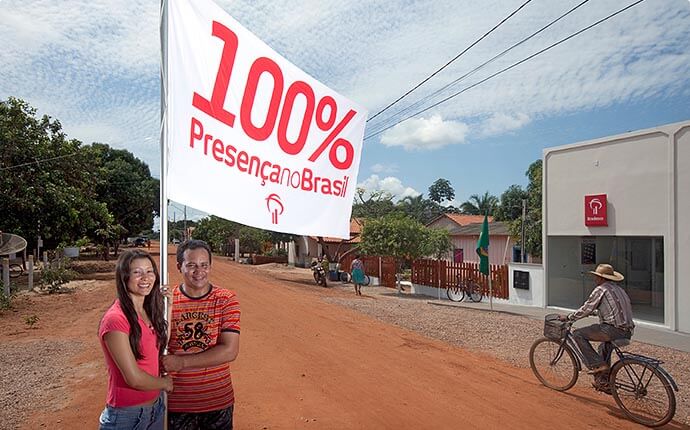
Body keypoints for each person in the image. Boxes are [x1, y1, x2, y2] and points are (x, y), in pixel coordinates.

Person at [163, 239, 241, 430]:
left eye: (204, 265)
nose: (199, 272)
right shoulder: (166, 302)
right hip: (177, 402)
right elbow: (157, 344)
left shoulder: (225, 299)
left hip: (217, 401)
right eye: (191, 265)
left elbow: (229, 351)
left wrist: (182, 362)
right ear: (179, 267)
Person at [98, 249, 173, 430]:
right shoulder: (116, 319)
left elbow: (161, 342)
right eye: (137, 273)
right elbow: (134, 378)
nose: (145, 278)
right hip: (127, 417)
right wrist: (164, 383)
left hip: (155, 409)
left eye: (149, 271)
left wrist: (168, 307)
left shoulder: (147, 311)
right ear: (124, 277)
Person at [561, 263, 634, 376]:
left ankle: (598, 364)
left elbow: (586, 308)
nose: (595, 279)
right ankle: (604, 382)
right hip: (627, 331)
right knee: (603, 348)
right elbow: (613, 309)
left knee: (577, 334)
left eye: (596, 276)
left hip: (612, 330)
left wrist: (569, 317)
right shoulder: (619, 289)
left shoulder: (601, 289)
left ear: (601, 278)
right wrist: (595, 312)